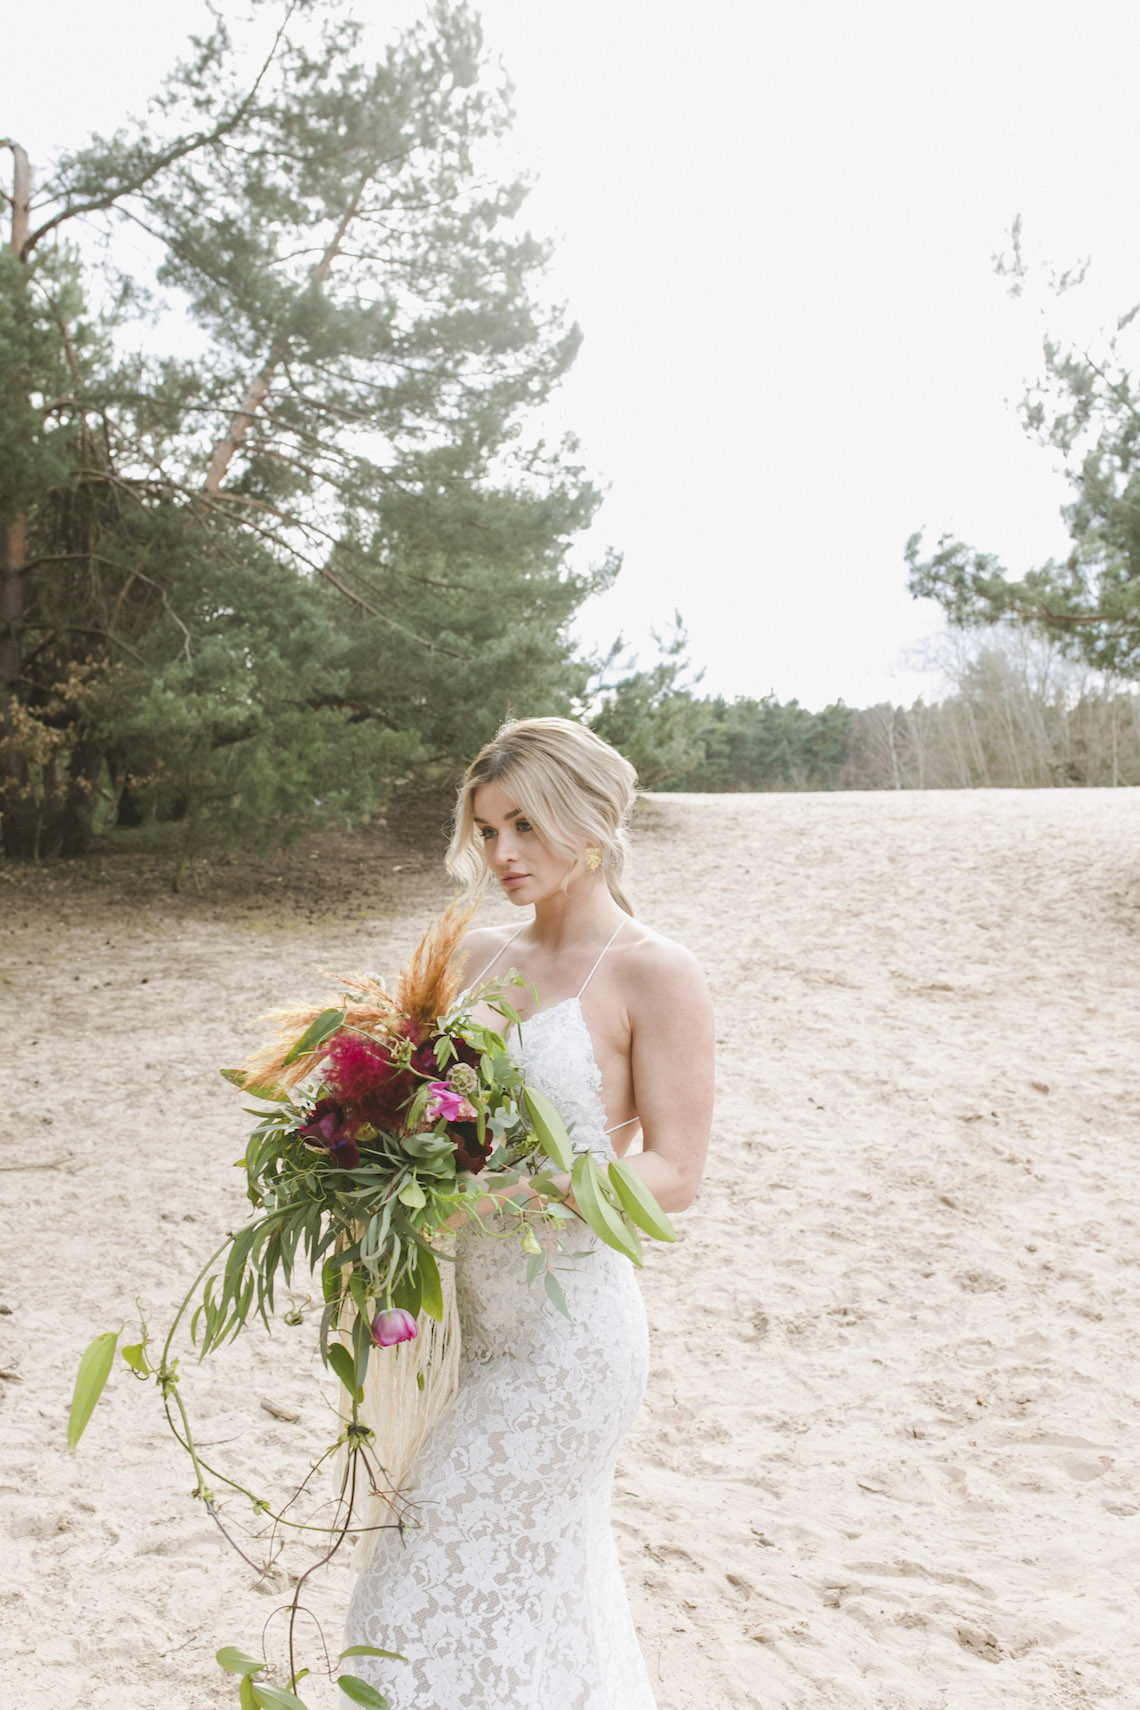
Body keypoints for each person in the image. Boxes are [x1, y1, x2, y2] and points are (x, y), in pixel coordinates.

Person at [343, 716, 715, 1709]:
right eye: (485, 831)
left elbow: (677, 1168)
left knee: (412, 1586)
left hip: (570, 1334)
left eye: (522, 827)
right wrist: (363, 1173)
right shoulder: (471, 963)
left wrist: (544, 1190)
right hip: (469, 1327)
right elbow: (413, 1117)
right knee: (517, 1596)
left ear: (592, 818)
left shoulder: (654, 971)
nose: (500, 854)